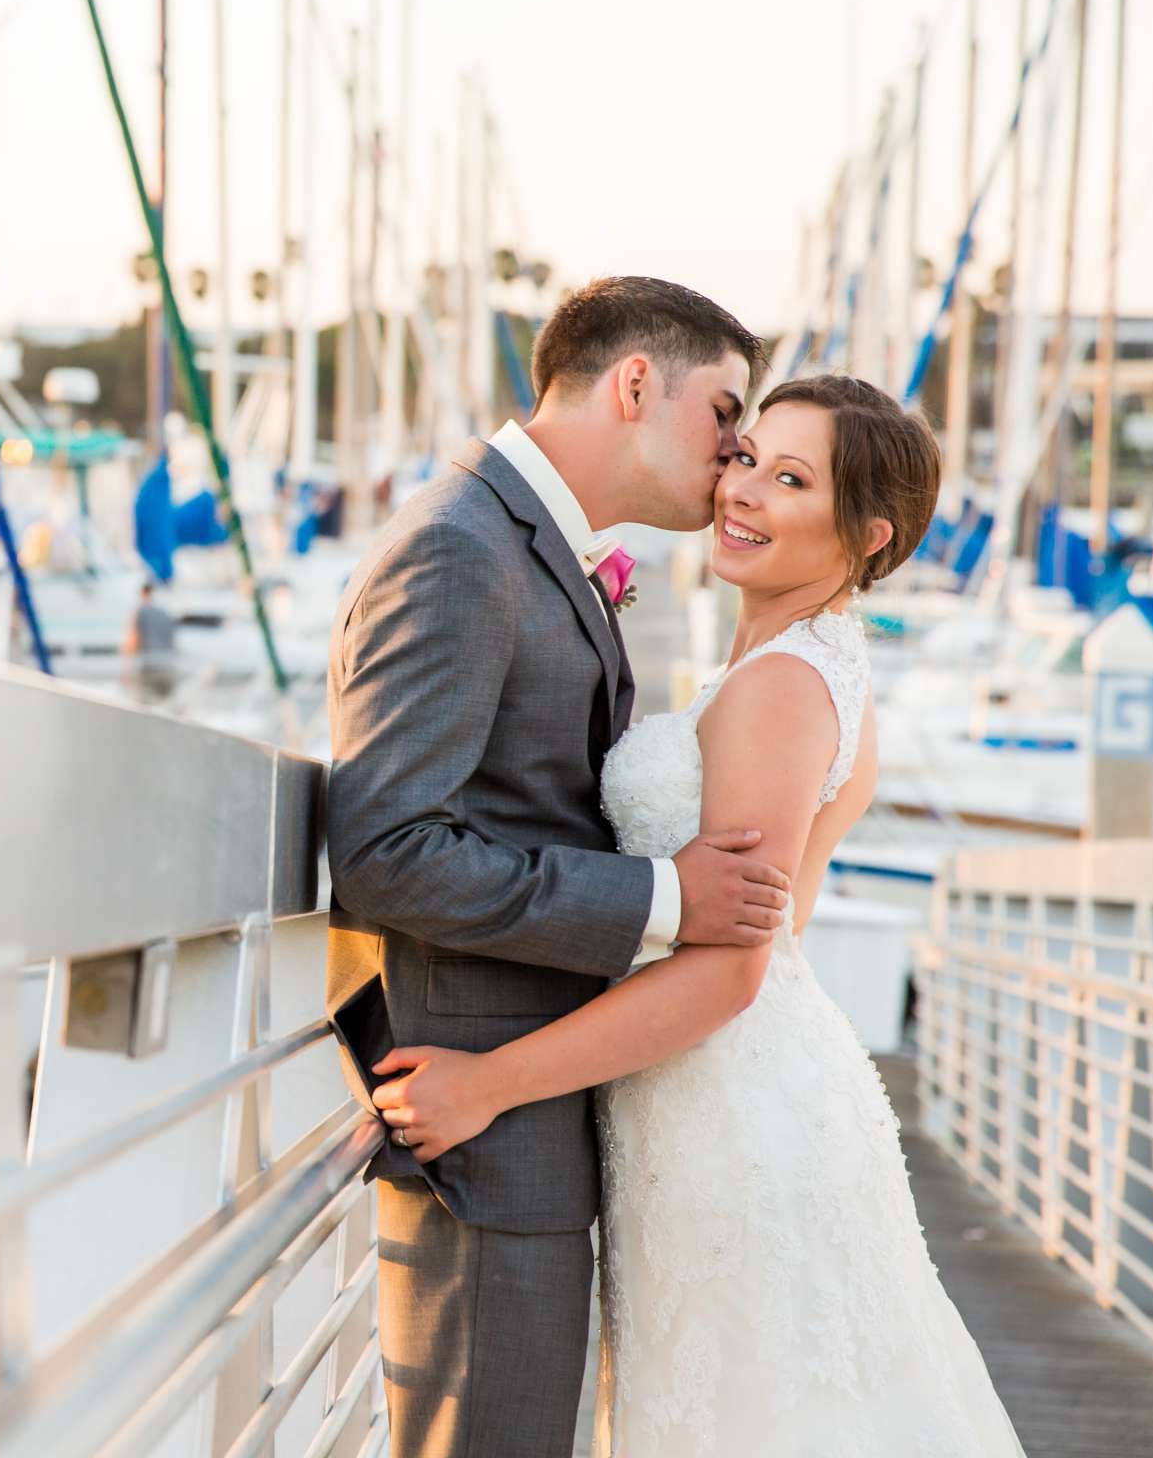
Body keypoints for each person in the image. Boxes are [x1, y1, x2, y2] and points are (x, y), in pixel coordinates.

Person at [369, 374, 1026, 1454]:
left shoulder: (781, 688)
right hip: (725, 1094)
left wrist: (488, 1083)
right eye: (749, 456)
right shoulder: (812, 663)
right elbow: (784, 922)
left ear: (866, 534)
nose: (745, 490)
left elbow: (732, 968)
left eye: (791, 478)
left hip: (729, 1110)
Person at [325, 277, 792, 1457]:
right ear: (636, 383)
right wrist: (665, 898)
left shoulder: (521, 546)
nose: (739, 449)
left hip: (524, 1112)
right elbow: (384, 851)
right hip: (479, 1132)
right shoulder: (456, 550)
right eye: (726, 411)